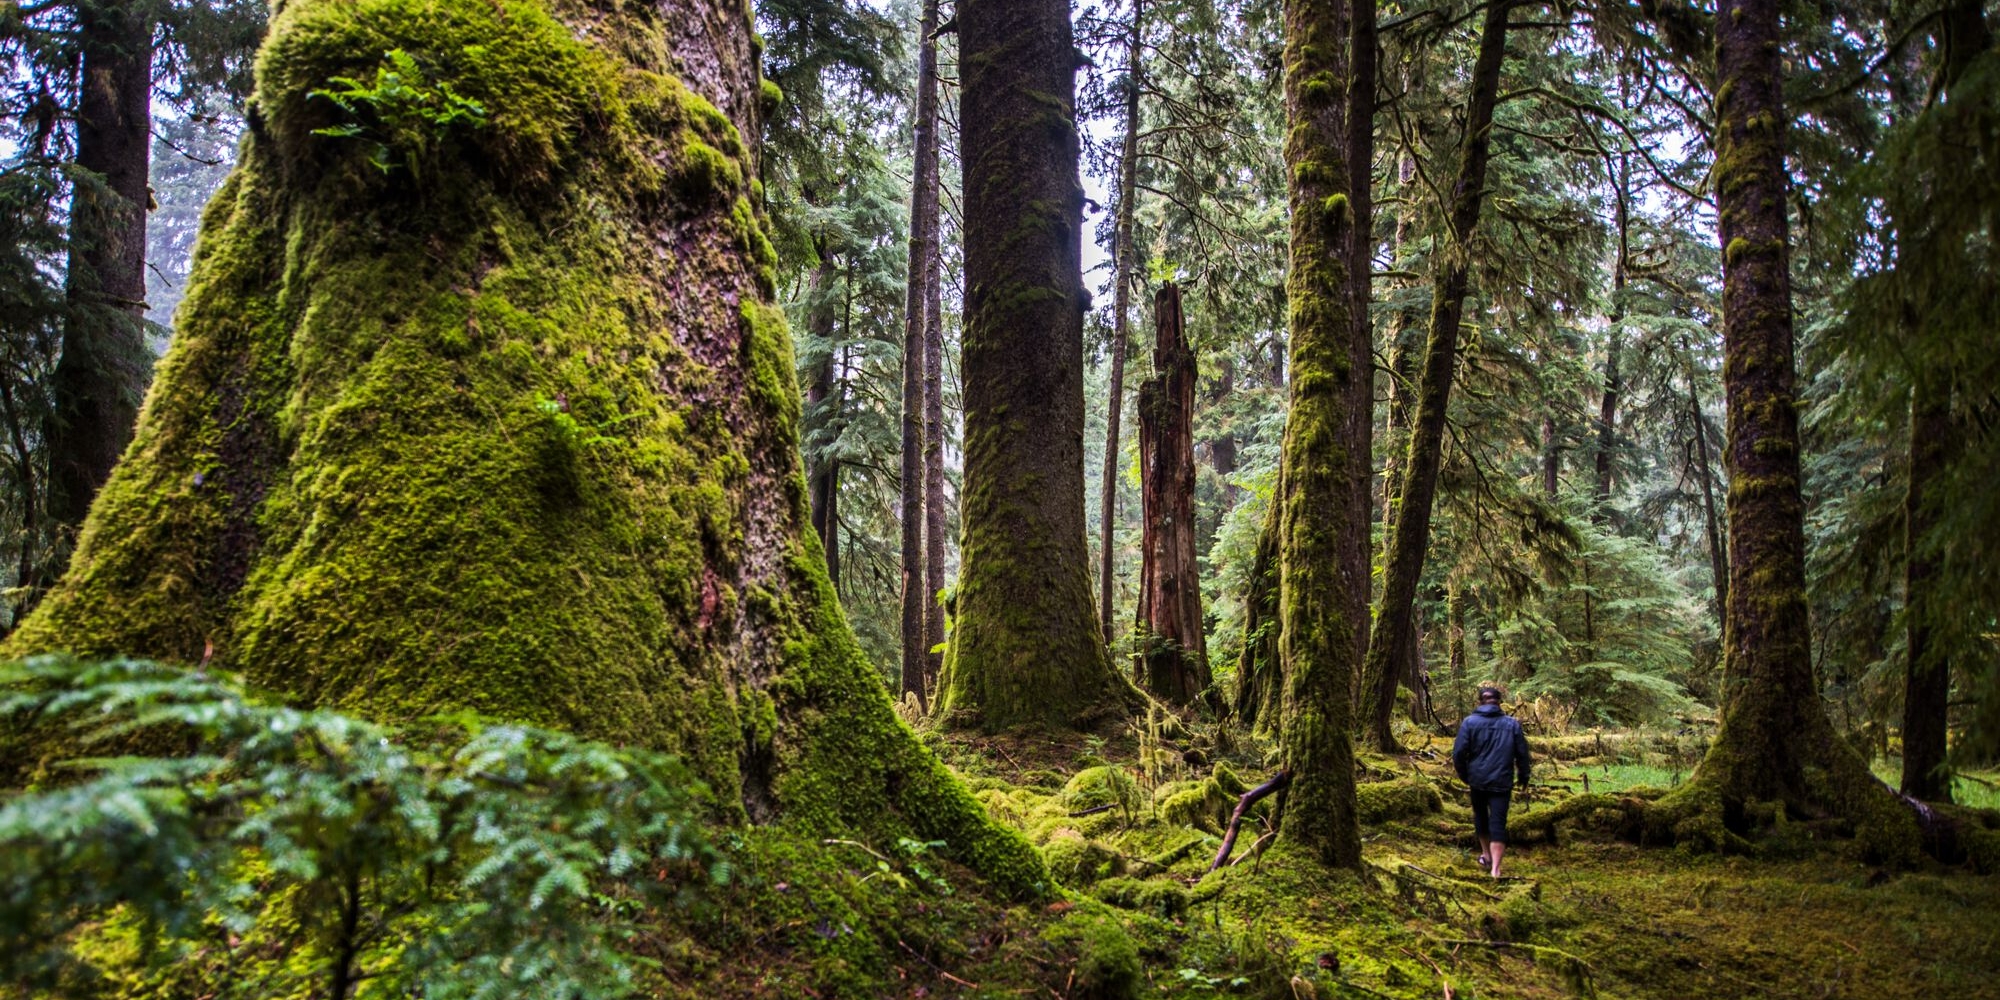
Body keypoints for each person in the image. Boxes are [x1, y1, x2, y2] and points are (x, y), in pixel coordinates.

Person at [1452, 684, 1531, 878]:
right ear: (1499, 703)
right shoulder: (1512, 724)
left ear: (1480, 702)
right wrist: (1523, 776)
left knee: (1480, 816)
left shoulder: (1469, 723)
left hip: (1477, 780)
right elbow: (1522, 754)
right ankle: (1495, 868)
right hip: (1502, 782)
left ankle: (1486, 855)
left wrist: (1464, 775)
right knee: (1498, 822)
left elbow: (1459, 753)